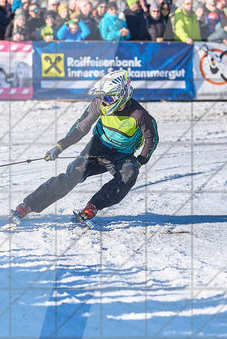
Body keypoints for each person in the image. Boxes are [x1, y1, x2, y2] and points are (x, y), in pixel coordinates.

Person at [11, 69, 158, 226]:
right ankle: (27, 205)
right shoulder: (98, 105)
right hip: (97, 148)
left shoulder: (140, 115)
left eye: (108, 97)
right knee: (72, 176)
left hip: (122, 156)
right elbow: (81, 128)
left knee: (129, 175)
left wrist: (140, 161)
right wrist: (59, 147)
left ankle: (92, 207)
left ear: (121, 95)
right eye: (102, 97)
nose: (104, 101)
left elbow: (152, 139)